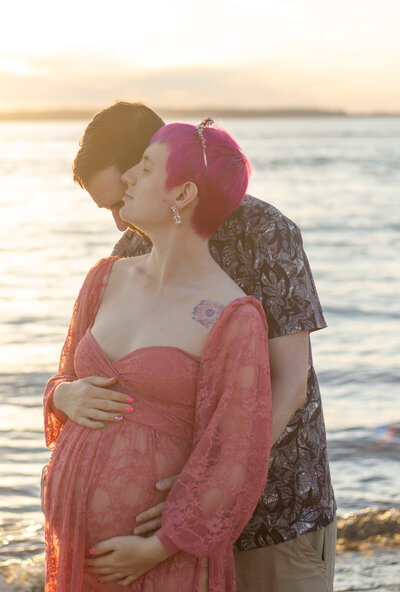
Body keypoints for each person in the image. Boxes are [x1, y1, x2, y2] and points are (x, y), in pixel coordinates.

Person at [49, 101, 337, 591]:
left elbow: (289, 382)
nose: (120, 221)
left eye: (121, 196)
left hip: (273, 518)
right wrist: (62, 394)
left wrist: (203, 491)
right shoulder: (131, 251)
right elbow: (87, 365)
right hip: (159, 543)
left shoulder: (265, 234)